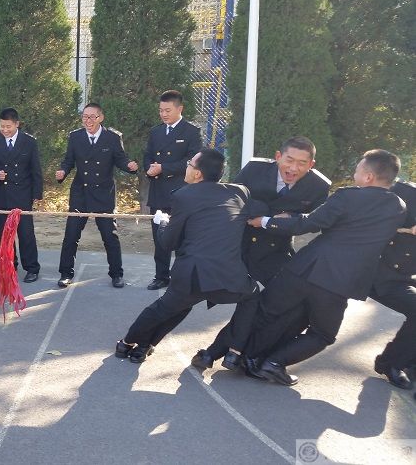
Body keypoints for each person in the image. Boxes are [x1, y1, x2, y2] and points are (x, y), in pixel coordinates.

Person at [245, 150, 407, 386]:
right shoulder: (398, 207)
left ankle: (246, 357)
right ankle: (274, 363)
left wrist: (266, 221)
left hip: (305, 267)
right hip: (339, 282)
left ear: (368, 177)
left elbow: (309, 223)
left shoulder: (347, 196)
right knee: (322, 334)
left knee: (271, 313)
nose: (355, 174)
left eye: (358, 170)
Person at [193, 136, 331, 370]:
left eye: (302, 163)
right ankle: (226, 352)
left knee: (286, 302)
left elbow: (316, 221)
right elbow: (232, 202)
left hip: (275, 252)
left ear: (311, 164)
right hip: (240, 248)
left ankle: (238, 352)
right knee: (249, 298)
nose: (293, 168)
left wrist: (290, 219)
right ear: (278, 157)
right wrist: (264, 214)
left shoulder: (319, 186)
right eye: (289, 160)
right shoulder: (255, 169)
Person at [115, 149, 258, 364]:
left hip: (194, 275)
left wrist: (163, 223)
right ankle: (233, 352)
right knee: (252, 296)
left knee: (163, 308)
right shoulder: (240, 192)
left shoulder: (184, 195)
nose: (187, 166)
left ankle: (126, 343)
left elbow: (168, 243)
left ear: (198, 173)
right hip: (228, 277)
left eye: (190, 163)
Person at [55, 103, 139, 288]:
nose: (88, 121)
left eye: (92, 117)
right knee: (71, 235)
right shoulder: (75, 136)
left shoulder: (112, 137)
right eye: (85, 117)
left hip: (103, 194)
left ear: (101, 118)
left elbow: (120, 159)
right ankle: (65, 273)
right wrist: (62, 171)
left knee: (110, 236)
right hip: (81, 193)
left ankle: (116, 274)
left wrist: (130, 166)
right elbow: (68, 161)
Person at [142, 91, 202, 290]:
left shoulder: (191, 131)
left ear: (179, 109)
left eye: (168, 110)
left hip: (181, 192)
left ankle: (183, 277)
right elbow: (148, 155)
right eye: (161, 110)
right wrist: (149, 168)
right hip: (159, 191)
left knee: (183, 237)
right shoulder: (156, 132)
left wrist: (164, 168)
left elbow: (193, 161)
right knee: (160, 236)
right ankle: (161, 276)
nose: (164, 114)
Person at [0, 107, 43, 282]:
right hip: (0, 194)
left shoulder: (29, 142)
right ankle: (9, 265)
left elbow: (35, 169)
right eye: (2, 126)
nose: (5, 130)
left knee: (26, 233)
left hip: (22, 195)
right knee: (4, 234)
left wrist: (37, 194)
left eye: (8, 126)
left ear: (17, 124)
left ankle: (32, 268)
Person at [370, 180, 416, 389]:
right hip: (374, 269)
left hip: (403, 277)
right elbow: (371, 218)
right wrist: (406, 228)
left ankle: (398, 362)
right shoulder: (406, 191)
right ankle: (393, 363)